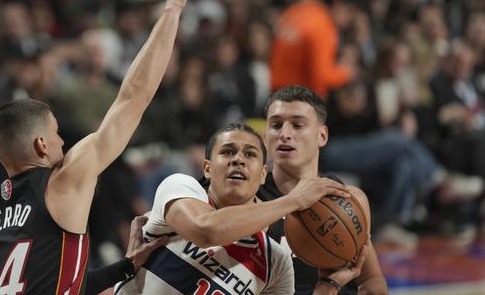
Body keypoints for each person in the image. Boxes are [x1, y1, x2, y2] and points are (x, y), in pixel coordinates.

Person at [0, 0, 195, 294]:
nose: (64, 141)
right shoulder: (62, 182)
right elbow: (133, 98)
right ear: (41, 145)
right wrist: (172, 10)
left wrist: (126, 265)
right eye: (57, 133)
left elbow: (57, 284)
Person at [115, 123, 368, 294]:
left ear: (262, 174)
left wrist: (327, 287)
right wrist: (294, 200)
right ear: (207, 169)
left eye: (250, 155)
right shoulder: (179, 188)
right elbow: (206, 231)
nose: (238, 159)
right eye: (227, 152)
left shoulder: (275, 261)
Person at [257, 85, 388, 294]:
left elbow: (371, 279)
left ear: (322, 136)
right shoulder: (247, 201)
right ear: (265, 137)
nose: (284, 134)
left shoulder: (349, 199)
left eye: (298, 125)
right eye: (276, 125)